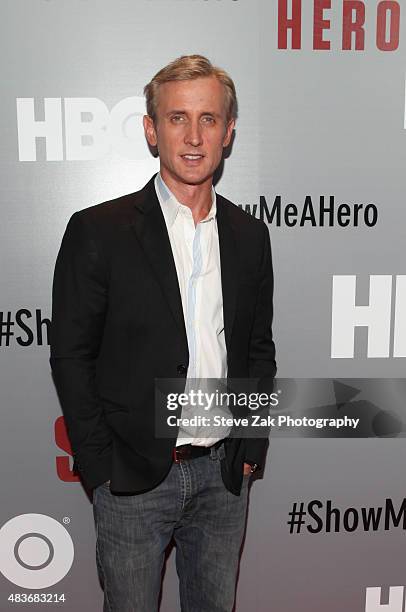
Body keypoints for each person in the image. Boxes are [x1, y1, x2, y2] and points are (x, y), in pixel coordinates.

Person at [50, 54, 276, 612]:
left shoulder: (250, 236)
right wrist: (101, 467)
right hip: (133, 481)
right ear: (152, 130)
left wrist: (249, 448)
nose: (194, 135)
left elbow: (256, 348)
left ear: (228, 132)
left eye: (208, 118)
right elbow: (71, 355)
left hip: (223, 479)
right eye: (177, 118)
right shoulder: (98, 230)